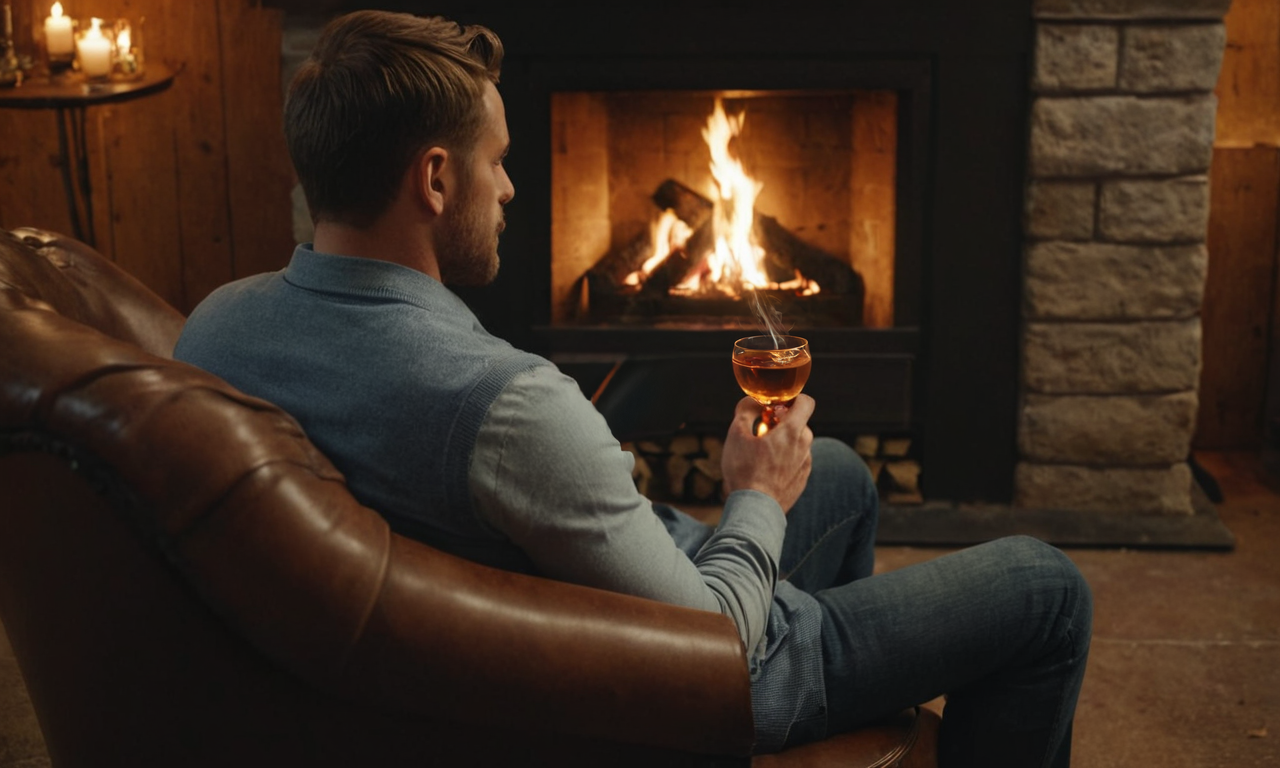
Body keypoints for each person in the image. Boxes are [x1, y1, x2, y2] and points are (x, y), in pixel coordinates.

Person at [174, 10, 1092, 766]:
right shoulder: (503, 403)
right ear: (438, 179)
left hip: (573, 597)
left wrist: (576, 474)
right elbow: (714, 656)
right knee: (1045, 588)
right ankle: (814, 687)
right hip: (709, 672)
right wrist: (753, 498)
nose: (513, 188)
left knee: (842, 478)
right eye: (496, 161)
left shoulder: (215, 325)